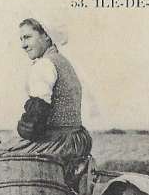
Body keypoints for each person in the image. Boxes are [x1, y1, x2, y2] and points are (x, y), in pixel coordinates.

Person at [5, 17, 92, 180]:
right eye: (21, 39)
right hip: (76, 139)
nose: (23, 45)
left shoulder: (44, 65)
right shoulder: (62, 62)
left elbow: (35, 121)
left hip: (58, 143)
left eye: (28, 37)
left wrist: (18, 134)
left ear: (46, 36)